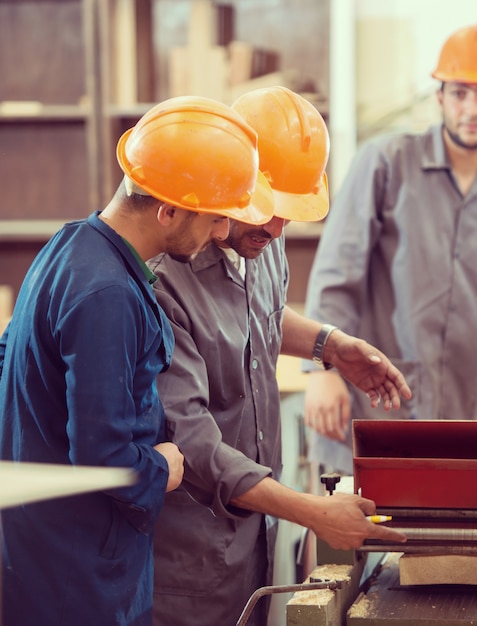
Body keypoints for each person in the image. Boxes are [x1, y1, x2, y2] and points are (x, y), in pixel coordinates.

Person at [0, 95, 274, 626]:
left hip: (43, 552)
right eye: (216, 218)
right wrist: (165, 467)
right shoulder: (107, 294)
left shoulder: (70, 245)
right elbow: (106, 461)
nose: (222, 234)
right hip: (79, 577)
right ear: (168, 209)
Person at [148, 86, 410, 626]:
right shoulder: (162, 278)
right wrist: (315, 513)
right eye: (266, 209)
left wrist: (330, 345)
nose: (277, 227)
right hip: (189, 558)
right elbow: (193, 443)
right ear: (230, 180)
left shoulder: (263, 237)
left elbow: (256, 319)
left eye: (290, 214)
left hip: (258, 538)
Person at [303, 23, 477, 475]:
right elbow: (336, 275)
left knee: (462, 541)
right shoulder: (386, 162)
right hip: (375, 404)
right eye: (460, 93)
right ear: (440, 96)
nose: (472, 108)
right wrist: (322, 370)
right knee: (352, 534)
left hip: (468, 412)